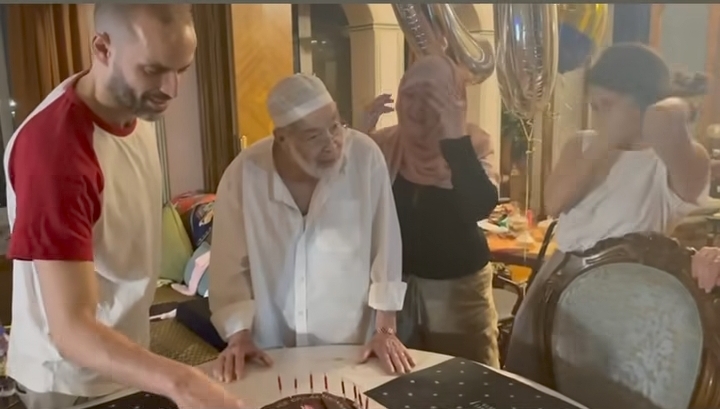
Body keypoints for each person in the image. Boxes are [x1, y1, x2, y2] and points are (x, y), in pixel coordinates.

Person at [4, 5, 245, 409]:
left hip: (125, 357)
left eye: (181, 69)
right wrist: (183, 382)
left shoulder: (137, 110)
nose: (171, 89)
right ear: (102, 48)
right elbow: (71, 328)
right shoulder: (54, 153)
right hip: (68, 379)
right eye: (153, 69)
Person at [505, 43, 710, 385]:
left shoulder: (670, 160)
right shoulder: (582, 145)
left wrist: (664, 107)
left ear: (645, 104)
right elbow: (554, 202)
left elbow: (671, 123)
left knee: (602, 387)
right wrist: (605, 141)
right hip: (559, 282)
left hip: (628, 296)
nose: (600, 116)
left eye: (610, 105)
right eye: (595, 107)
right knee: (538, 384)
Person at [208, 74, 413, 383]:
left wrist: (385, 330)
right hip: (270, 351)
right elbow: (229, 267)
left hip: (352, 349)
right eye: (314, 136)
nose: (332, 143)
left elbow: (385, 246)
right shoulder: (244, 175)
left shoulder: (365, 158)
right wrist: (239, 335)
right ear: (281, 138)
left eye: (335, 126)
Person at [361, 55, 501, 367]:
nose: (417, 106)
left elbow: (479, 205)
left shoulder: (474, 144)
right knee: (403, 375)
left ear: (454, 100)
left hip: (459, 293)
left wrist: (454, 138)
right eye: (410, 95)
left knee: (467, 376)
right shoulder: (386, 144)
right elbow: (351, 195)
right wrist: (360, 135)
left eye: (432, 96)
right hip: (399, 292)